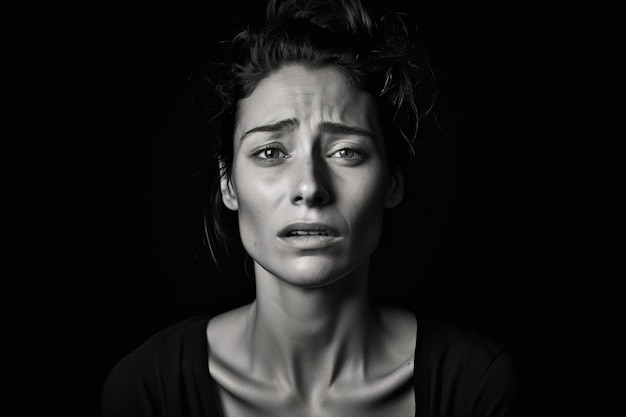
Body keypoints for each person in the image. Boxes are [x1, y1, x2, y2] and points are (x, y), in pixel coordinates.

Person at [102, 0, 518, 416]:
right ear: (229, 183)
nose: (309, 187)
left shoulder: (474, 385)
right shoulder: (148, 389)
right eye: (270, 152)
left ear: (392, 181)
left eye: (346, 152)